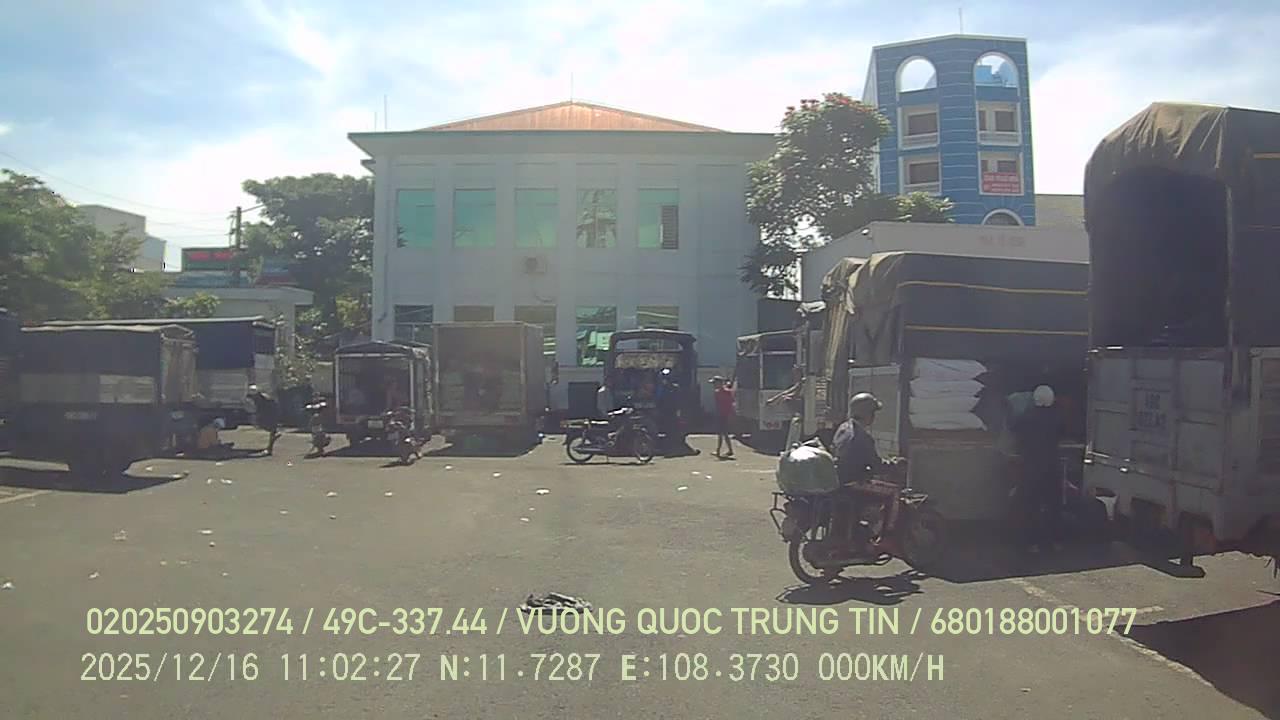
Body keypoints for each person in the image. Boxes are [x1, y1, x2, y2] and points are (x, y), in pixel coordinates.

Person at [1012, 385, 1063, 553]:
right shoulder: (1056, 416)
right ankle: (1052, 542)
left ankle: (1029, 543)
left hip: (1031, 467)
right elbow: (1063, 431)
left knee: (1029, 506)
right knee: (1052, 506)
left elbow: (1014, 429)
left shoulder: (1026, 416)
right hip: (1051, 467)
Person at [246, 385, 280, 456]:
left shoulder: (261, 399)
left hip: (270, 414)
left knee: (267, 427)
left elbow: (264, 407)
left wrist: (258, 415)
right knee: (272, 431)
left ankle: (270, 447)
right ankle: (270, 449)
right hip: (270, 413)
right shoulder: (258, 397)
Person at [711, 376, 735, 458]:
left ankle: (718, 451)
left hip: (724, 415)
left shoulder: (725, 392)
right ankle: (728, 450)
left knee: (721, 433)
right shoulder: (718, 392)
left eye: (715, 383)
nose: (714, 385)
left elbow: (730, 404)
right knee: (724, 433)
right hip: (721, 414)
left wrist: (731, 415)